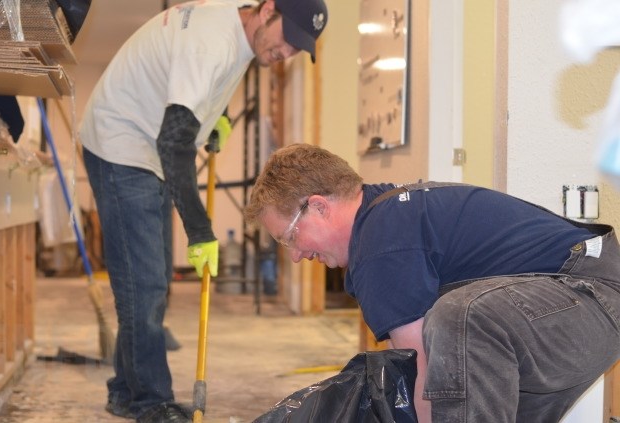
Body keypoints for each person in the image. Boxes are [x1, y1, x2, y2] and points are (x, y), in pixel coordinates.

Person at [244, 143, 620, 423]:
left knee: (462, 318)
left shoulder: (382, 243)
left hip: (592, 295)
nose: (295, 254)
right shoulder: (385, 218)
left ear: (320, 206)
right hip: (567, 306)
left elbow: (420, 376)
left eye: (290, 237)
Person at [78, 0, 328, 421]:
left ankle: (124, 388)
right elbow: (174, 144)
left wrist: (218, 115)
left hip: (144, 142)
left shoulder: (237, 24)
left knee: (151, 277)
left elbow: (200, 81)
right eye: (289, 37)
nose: (288, 52)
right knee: (144, 284)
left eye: (298, 48)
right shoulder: (211, 44)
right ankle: (149, 402)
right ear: (268, 9)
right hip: (122, 144)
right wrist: (200, 232)